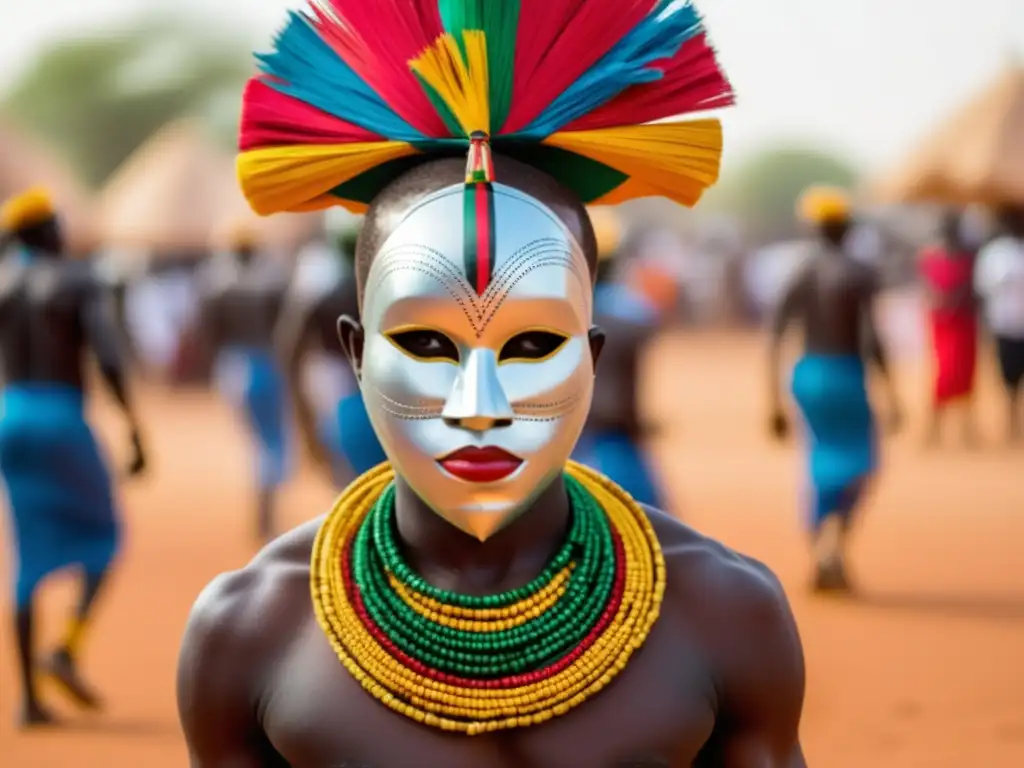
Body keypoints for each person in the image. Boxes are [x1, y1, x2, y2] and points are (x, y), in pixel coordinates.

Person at [179, 3, 806, 765]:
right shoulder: (251, 632)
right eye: (427, 344)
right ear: (355, 351)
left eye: (534, 345)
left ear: (594, 355)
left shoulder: (725, 614)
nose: (480, 408)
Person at [0, 188, 146, 727]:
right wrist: (133, 428)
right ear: (46, 230)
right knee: (105, 536)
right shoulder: (77, 279)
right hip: (61, 417)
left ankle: (27, 702)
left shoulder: (3, 282)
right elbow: (107, 354)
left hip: (10, 418)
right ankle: (66, 647)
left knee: (24, 559)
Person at [768, 186, 902, 594]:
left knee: (820, 459)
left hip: (807, 374)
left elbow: (776, 337)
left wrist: (772, 400)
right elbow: (872, 338)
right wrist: (892, 393)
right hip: (846, 373)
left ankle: (822, 548)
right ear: (847, 227)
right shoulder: (859, 272)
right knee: (861, 462)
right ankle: (833, 545)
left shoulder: (799, 271)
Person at [196, 224, 292, 541]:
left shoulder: (217, 284)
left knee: (257, 443)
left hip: (232, 367)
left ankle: (264, 514)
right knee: (270, 443)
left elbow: (207, 332)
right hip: (263, 363)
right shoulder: (271, 283)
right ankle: (265, 516)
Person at [572, 219, 672, 511]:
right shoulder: (632, 314)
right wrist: (639, 425)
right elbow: (631, 382)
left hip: (567, 437)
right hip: (614, 434)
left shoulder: (552, 309)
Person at [275, 231, 387, 487]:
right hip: (381, 397)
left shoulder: (324, 298)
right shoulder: (389, 294)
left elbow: (290, 348)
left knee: (349, 477)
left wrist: (303, 417)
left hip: (339, 391)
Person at [918, 210, 980, 447]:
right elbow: (928, 291)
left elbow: (972, 291)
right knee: (945, 373)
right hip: (944, 323)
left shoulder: (968, 259)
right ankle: (933, 430)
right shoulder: (931, 258)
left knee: (965, 373)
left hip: (963, 323)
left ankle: (967, 430)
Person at [975, 204, 1024, 443]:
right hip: (1005, 323)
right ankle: (1010, 422)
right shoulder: (995, 254)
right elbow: (983, 288)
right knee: (1008, 376)